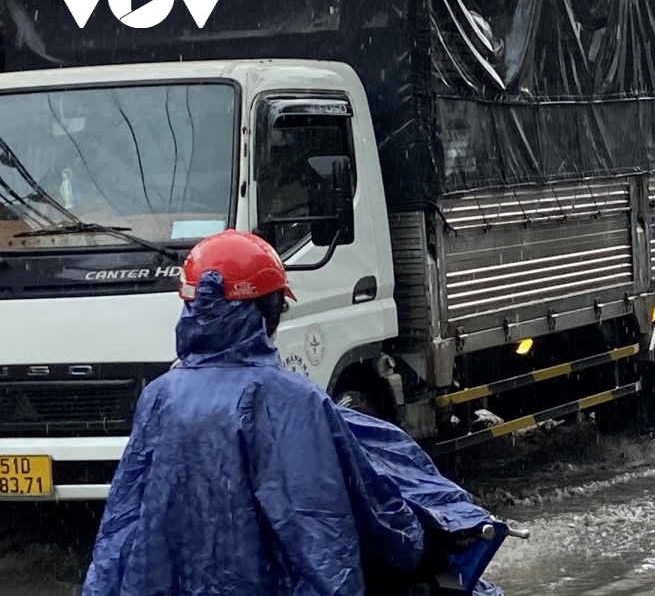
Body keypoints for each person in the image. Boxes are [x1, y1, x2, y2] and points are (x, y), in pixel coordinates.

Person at [83, 230, 505, 596]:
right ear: (270, 311)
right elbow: (326, 532)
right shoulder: (294, 402)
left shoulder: (159, 398)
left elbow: (120, 527)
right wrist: (422, 541)